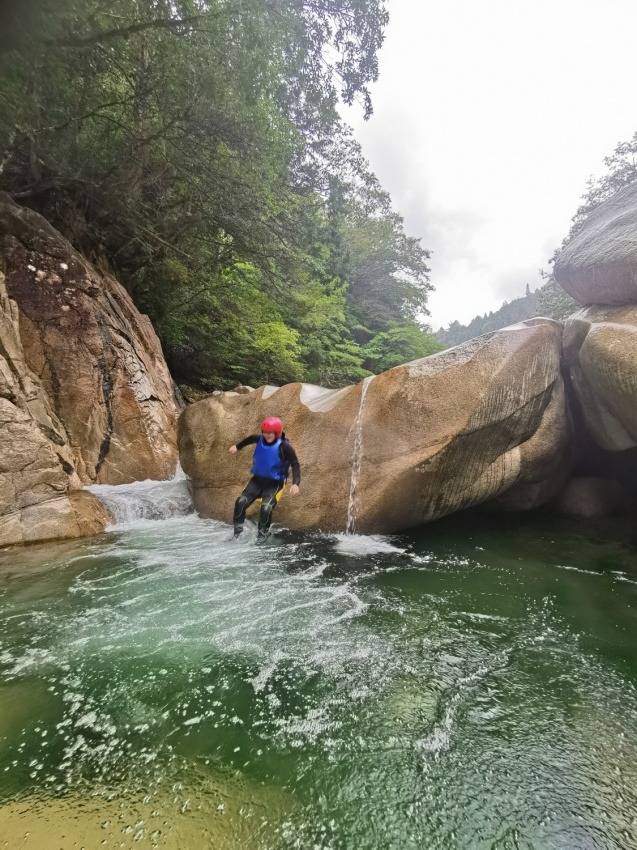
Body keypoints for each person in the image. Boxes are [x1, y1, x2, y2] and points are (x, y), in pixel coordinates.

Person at [228, 416, 301, 540]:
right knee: (240, 502)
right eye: (265, 432)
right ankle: (237, 535)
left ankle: (262, 536)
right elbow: (250, 439)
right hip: (257, 481)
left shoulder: (285, 446)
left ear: (276, 433)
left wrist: (295, 483)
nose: (266, 435)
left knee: (266, 508)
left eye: (270, 433)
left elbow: (295, 464)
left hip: (275, 484)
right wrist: (237, 446)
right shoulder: (259, 439)